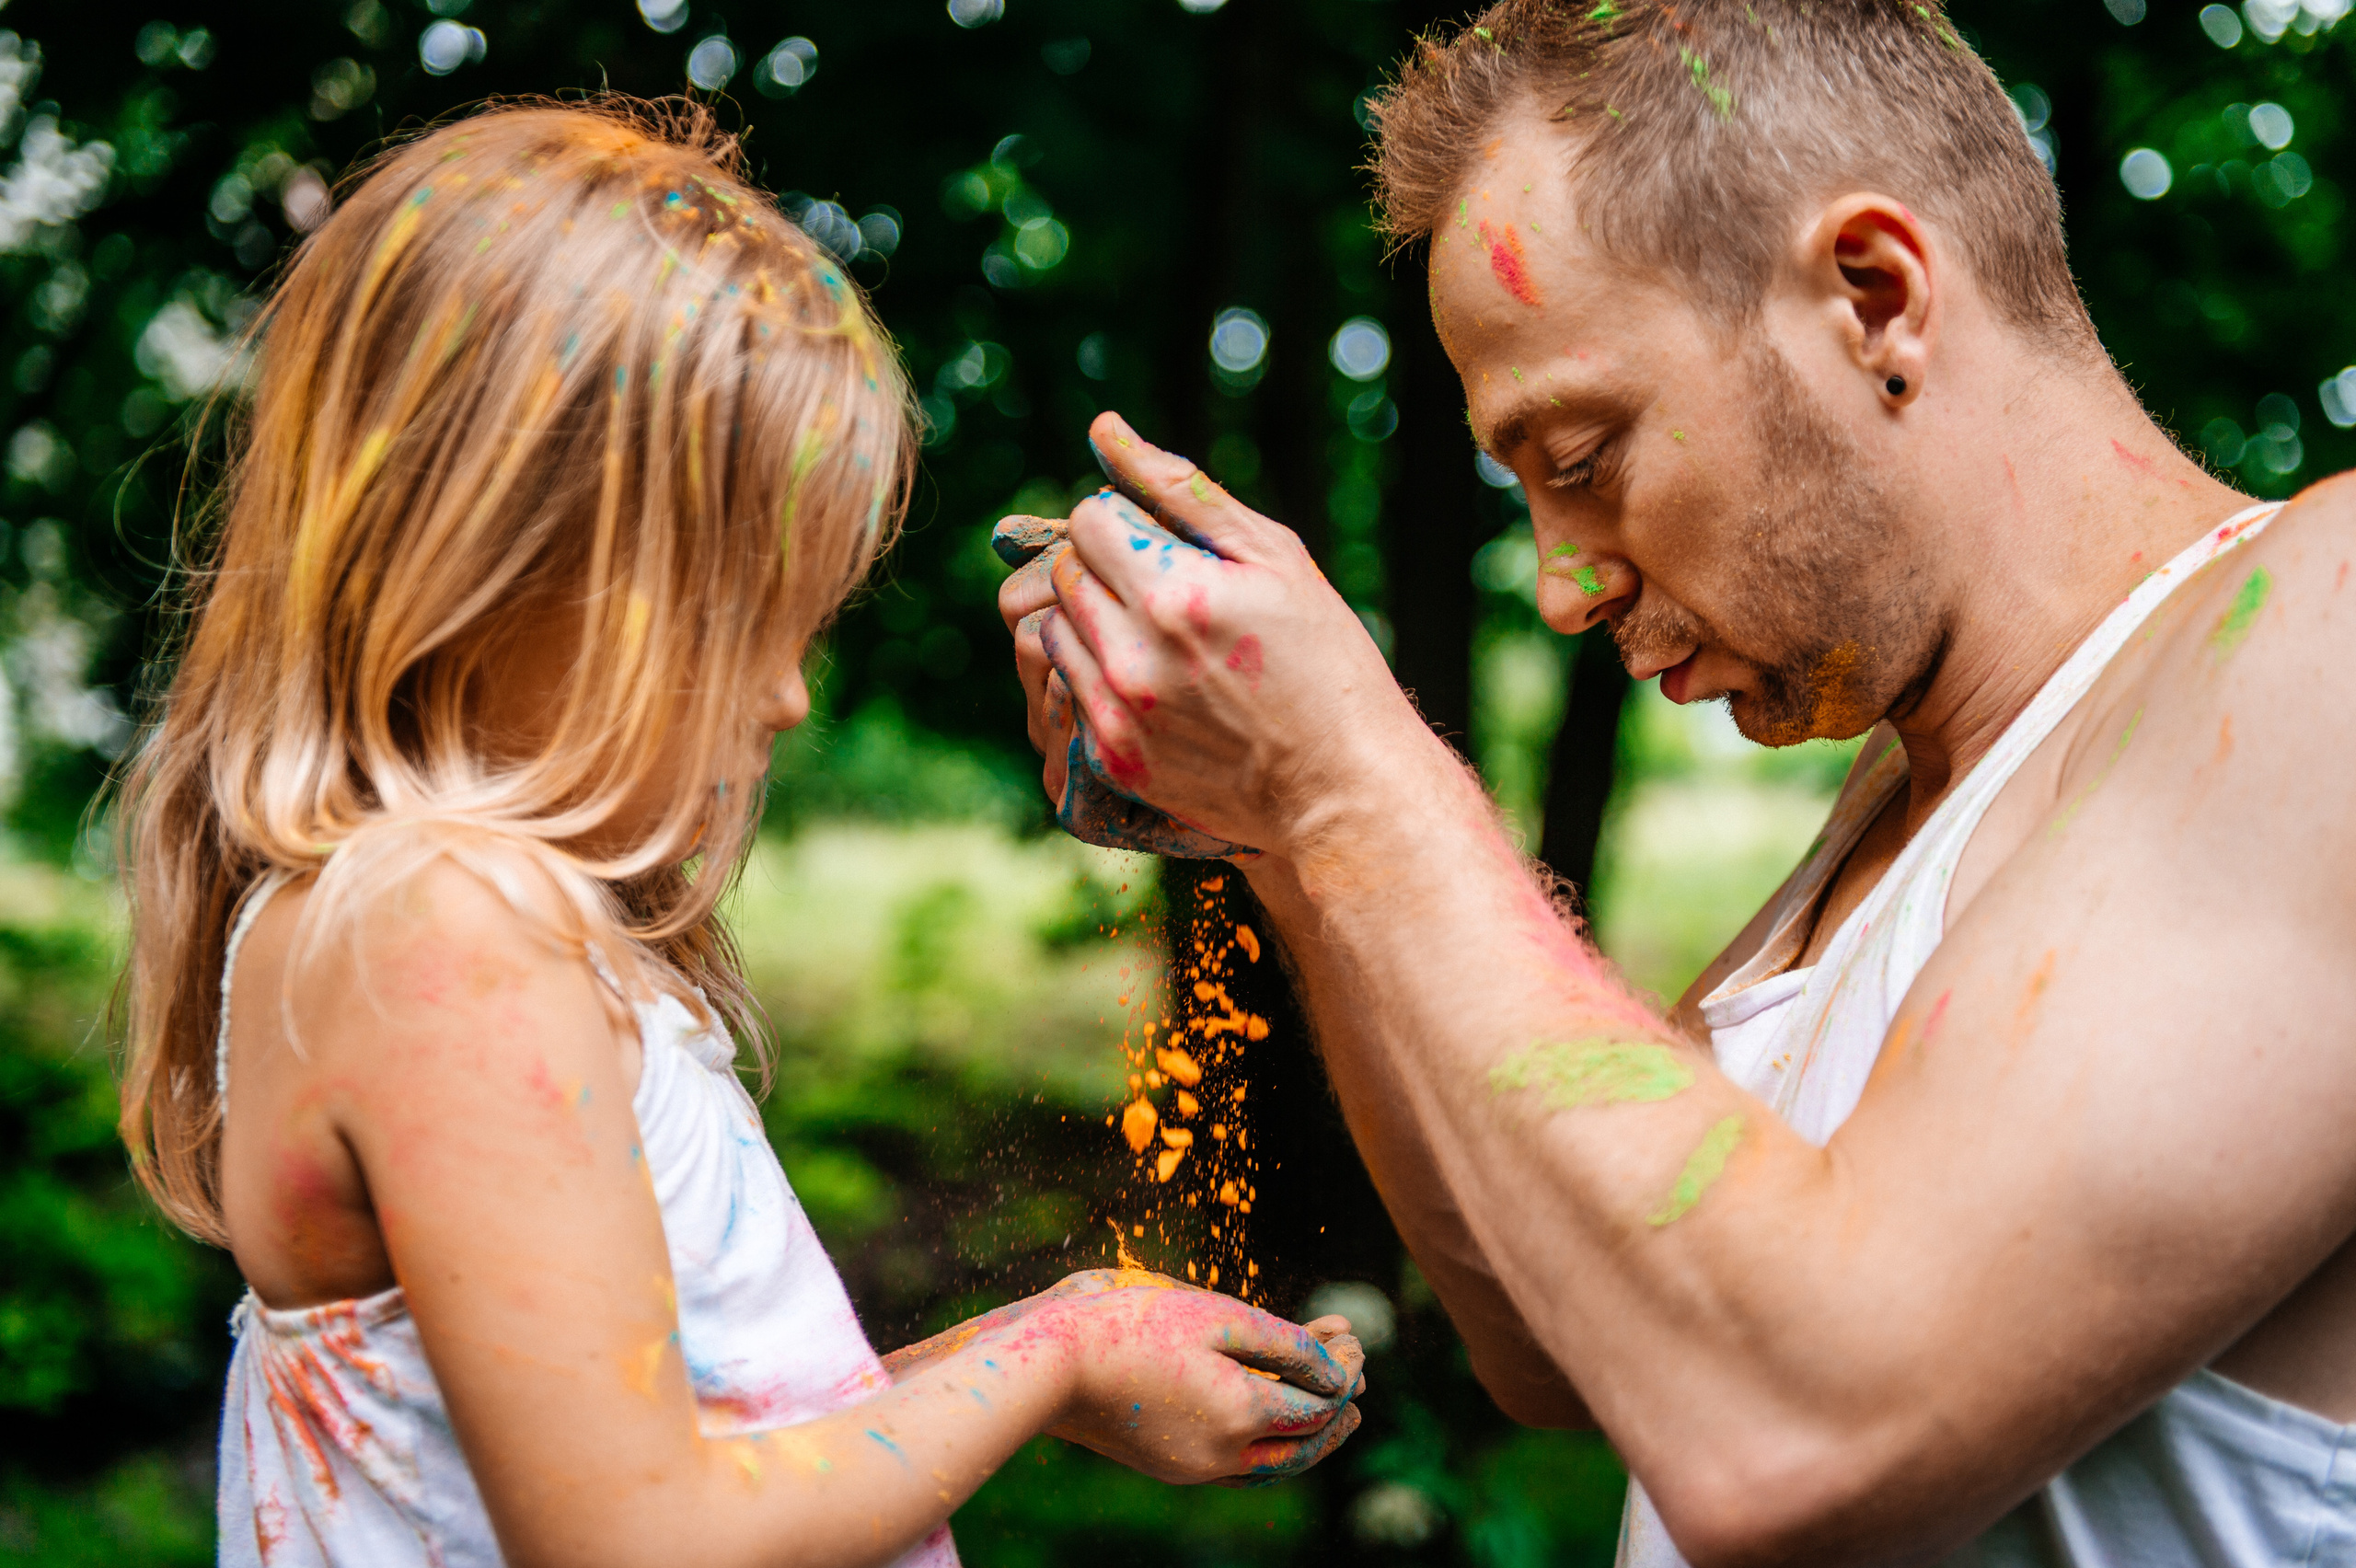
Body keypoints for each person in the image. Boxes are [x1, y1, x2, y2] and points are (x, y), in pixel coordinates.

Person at [995, 2, 2356, 1563]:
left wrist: (1349, 775)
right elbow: (1561, 1339)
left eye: (1578, 457)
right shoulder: (1898, 809)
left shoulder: (2322, 628)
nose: (1562, 584)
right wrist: (1279, 838)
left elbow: (1804, 1434)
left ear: (1875, 296)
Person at [111, 100, 1364, 1568]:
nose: (784, 700)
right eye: (744, 624)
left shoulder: (451, 921)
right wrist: (1059, 1358)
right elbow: (643, 1541)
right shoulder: (440, 925)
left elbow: (670, 1459)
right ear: (516, 557)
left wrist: (1050, 1338)